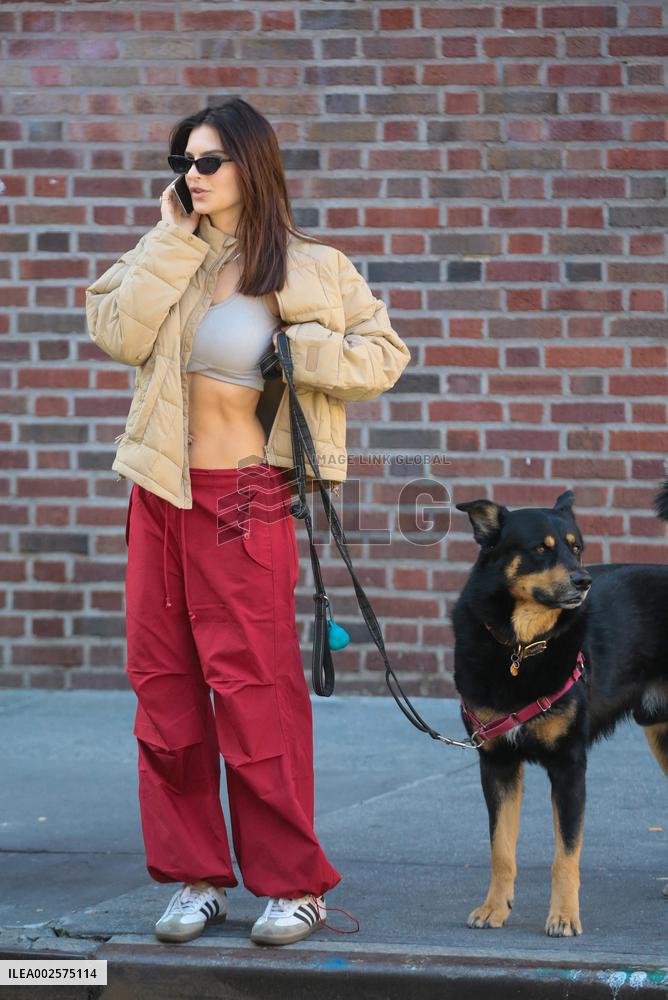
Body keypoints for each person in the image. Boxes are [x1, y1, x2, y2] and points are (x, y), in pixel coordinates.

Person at [85, 98, 411, 947]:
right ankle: (196, 878)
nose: (189, 177)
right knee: (164, 691)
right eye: (181, 163)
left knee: (253, 692)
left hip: (244, 495)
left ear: (249, 167)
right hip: (159, 488)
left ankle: (293, 885)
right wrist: (169, 238)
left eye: (205, 163)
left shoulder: (311, 265)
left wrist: (301, 353)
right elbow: (115, 330)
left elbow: (384, 357)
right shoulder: (168, 254)